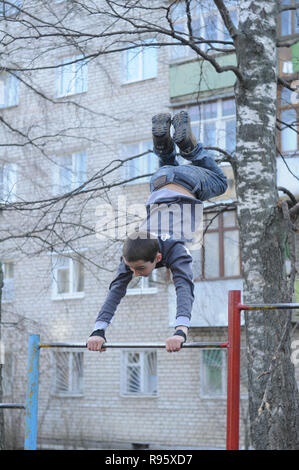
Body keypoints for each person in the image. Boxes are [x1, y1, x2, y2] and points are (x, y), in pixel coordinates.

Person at [87, 111, 227, 353]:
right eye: (132, 268)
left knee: (221, 182)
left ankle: (189, 148)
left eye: (140, 268)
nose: (136, 273)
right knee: (167, 169)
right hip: (159, 181)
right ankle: (163, 147)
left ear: (159, 258)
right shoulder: (134, 251)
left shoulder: (175, 249)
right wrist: (98, 330)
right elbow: (116, 290)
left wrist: (180, 330)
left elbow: (184, 286)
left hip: (185, 181)